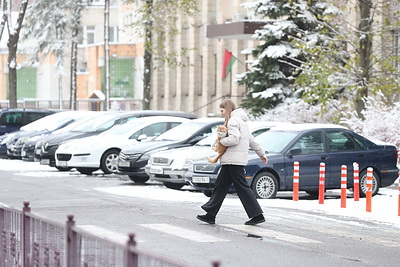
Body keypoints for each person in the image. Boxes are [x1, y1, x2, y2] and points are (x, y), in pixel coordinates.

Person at [197, 99, 268, 225]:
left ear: (228, 109)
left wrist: (220, 142)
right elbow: (251, 140)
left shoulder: (233, 121)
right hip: (233, 160)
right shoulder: (242, 122)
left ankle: (257, 215)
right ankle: (210, 214)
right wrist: (261, 153)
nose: (221, 113)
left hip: (233, 161)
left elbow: (234, 139)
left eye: (222, 110)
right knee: (221, 187)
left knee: (241, 187)